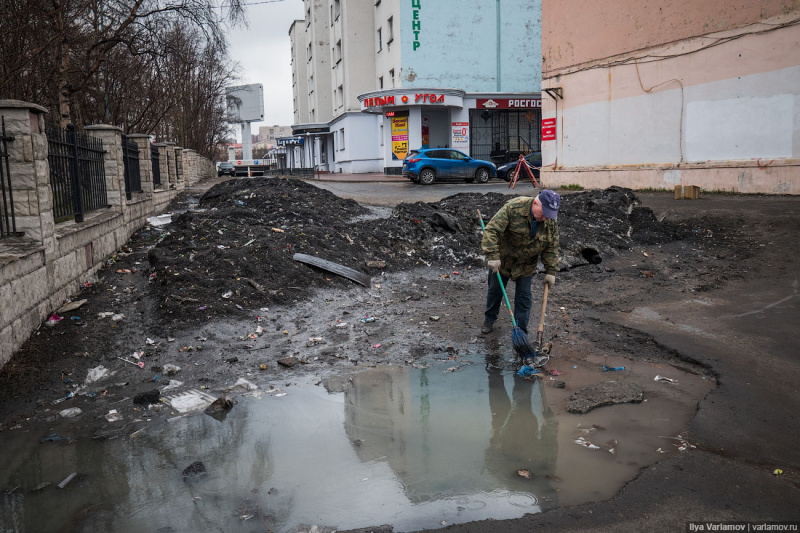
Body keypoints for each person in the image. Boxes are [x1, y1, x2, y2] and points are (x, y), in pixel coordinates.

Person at [480, 190, 560, 335]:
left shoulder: (550, 221)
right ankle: (489, 319)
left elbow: (551, 247)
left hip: (525, 265)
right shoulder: (513, 208)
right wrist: (493, 255)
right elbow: (491, 231)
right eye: (543, 213)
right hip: (503, 260)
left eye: (549, 215)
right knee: (495, 291)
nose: (545, 218)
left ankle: (520, 331)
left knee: (524, 298)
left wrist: (551, 271)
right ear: (535, 203)